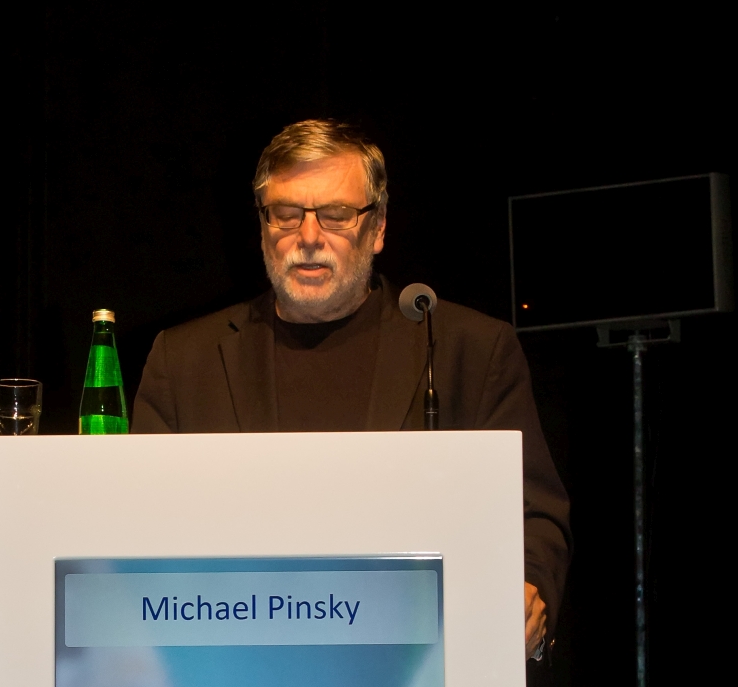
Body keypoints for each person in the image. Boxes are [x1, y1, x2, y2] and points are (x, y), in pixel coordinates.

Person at [132, 119, 571, 654]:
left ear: (378, 227)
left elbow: (534, 513)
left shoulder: (466, 350)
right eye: (286, 214)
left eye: (336, 215)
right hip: (234, 660)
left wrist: (530, 589)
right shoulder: (185, 361)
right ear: (263, 225)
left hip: (418, 662)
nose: (308, 237)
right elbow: (139, 525)